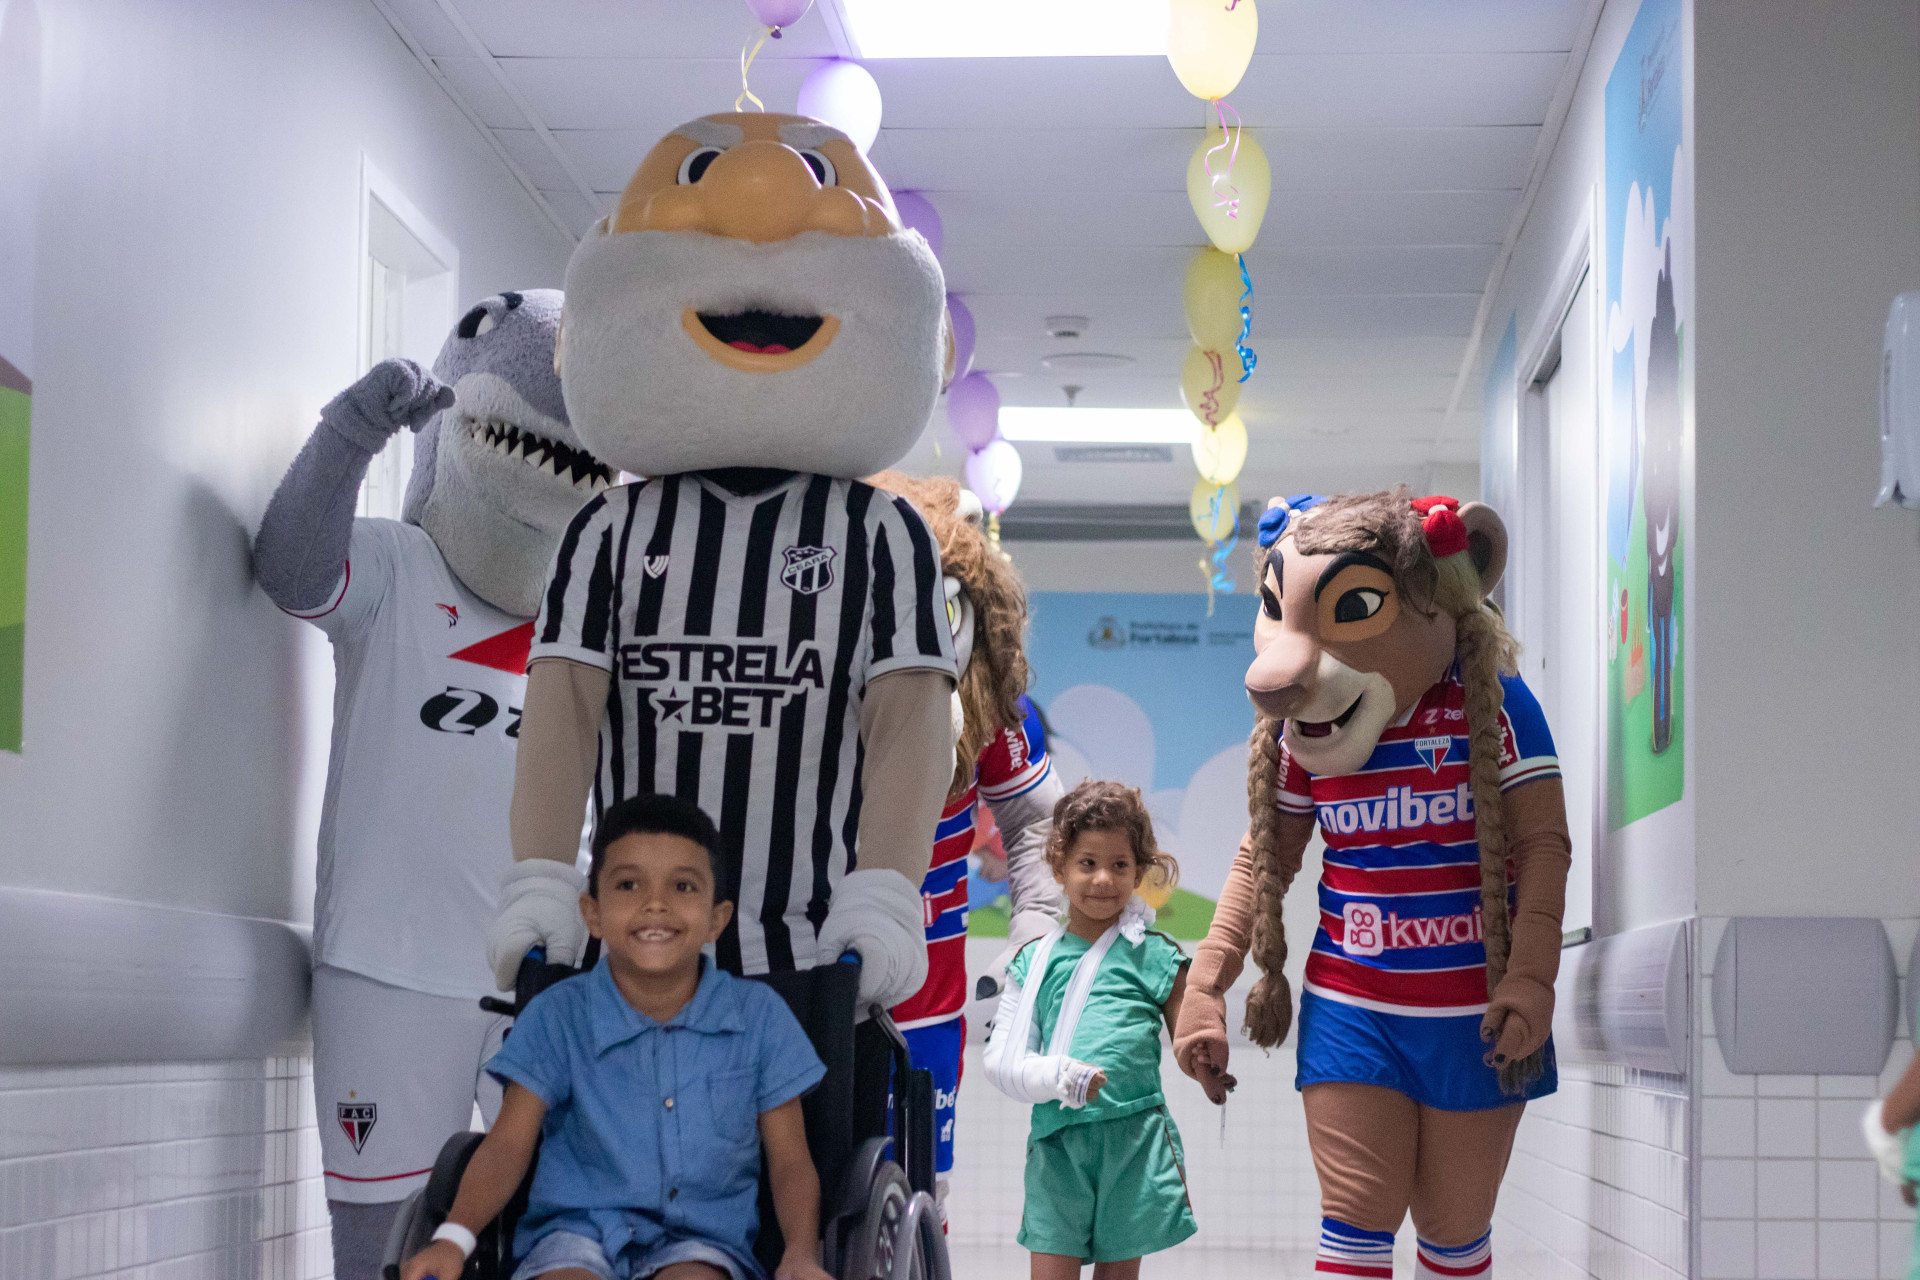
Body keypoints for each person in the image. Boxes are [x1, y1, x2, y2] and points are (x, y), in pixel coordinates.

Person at [251, 291, 612, 1279]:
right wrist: (355, 429)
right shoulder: (402, 571)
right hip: (387, 969)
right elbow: (288, 566)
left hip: (545, 980)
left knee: (568, 1236)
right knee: (386, 1249)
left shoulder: (589, 624)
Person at [399, 793, 834, 1280]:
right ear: (593, 913)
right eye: (628, 884)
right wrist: (453, 1239)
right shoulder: (558, 1016)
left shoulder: (760, 1020)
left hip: (703, 1242)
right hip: (573, 1235)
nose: (655, 904)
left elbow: (791, 1161)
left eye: (684, 886)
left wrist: (801, 1253)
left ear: (717, 919)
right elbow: (506, 1145)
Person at [983, 781, 1198, 1280]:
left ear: (1139, 870)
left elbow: (1190, 1037)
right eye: (1087, 863)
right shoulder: (1033, 961)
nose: (1104, 878)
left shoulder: (1159, 956)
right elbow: (1002, 1062)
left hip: (1136, 1141)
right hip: (1059, 1146)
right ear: (1059, 868)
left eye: (1120, 864)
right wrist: (1061, 1076)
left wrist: (1207, 1061)